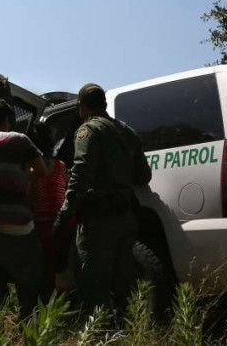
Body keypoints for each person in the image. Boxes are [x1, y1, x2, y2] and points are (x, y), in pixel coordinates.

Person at [53, 83, 152, 315]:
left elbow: (80, 176)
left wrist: (64, 215)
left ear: (81, 106)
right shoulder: (127, 131)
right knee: (122, 285)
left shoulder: (88, 131)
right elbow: (144, 175)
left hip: (98, 221)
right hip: (125, 218)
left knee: (92, 285)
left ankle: (96, 336)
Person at [0, 97, 50, 320]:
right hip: (19, 227)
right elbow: (43, 171)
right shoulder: (19, 140)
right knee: (29, 286)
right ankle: (28, 331)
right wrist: (22, 176)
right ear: (7, 120)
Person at [29, 122, 70, 301]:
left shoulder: (31, 170)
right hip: (61, 226)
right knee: (50, 273)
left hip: (39, 227)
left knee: (37, 276)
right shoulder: (61, 166)